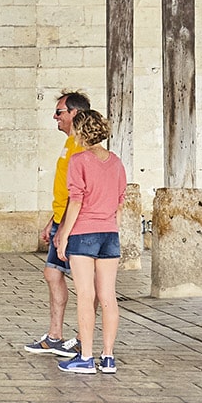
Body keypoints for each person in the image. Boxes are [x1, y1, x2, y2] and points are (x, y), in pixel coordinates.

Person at [54, 108, 124, 375]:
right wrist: (111, 227)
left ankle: (85, 357)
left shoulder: (79, 160)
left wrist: (64, 236)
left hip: (83, 234)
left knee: (85, 296)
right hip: (110, 234)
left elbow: (76, 200)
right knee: (108, 296)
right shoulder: (116, 162)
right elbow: (119, 201)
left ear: (81, 131)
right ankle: (108, 358)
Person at [24, 91, 92, 358]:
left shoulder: (83, 146)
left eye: (60, 111)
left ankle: (80, 338)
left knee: (85, 282)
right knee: (52, 273)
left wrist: (63, 228)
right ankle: (54, 336)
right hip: (61, 219)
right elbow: (65, 190)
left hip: (74, 224)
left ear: (75, 113)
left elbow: (79, 194)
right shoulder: (69, 144)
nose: (55, 116)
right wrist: (51, 222)